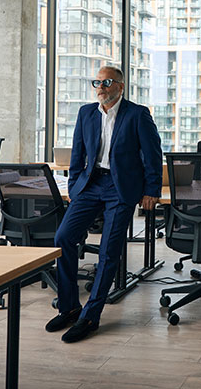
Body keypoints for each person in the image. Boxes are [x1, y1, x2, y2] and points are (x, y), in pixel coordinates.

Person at [45, 65, 162, 343]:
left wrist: (151, 190)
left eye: (107, 82)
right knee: (63, 238)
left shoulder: (137, 114)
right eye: (96, 82)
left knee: (109, 251)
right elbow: (78, 152)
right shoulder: (86, 113)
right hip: (90, 184)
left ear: (120, 86)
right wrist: (74, 185)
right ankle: (69, 307)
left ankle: (90, 316)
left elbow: (153, 153)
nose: (101, 87)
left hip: (121, 189)